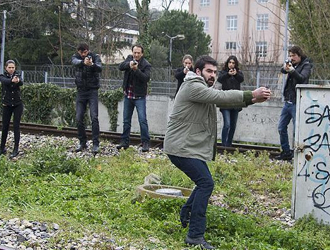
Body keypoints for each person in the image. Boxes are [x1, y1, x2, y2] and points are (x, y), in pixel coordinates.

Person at [164, 55, 271, 249]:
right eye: (209, 71)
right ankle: (195, 236)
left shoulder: (202, 88)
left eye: (214, 72)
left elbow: (221, 101)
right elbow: (220, 97)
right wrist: (251, 94)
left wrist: (253, 100)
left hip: (188, 147)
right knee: (206, 183)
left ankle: (187, 213)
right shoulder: (192, 86)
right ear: (198, 72)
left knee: (203, 182)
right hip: (180, 147)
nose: (213, 75)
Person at [275, 46, 312, 161]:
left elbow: (302, 79)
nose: (292, 58)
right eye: (290, 56)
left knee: (297, 131)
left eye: (293, 56)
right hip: (288, 101)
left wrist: (292, 70)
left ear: (299, 55)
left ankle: (298, 155)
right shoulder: (293, 64)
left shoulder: (306, 65)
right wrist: (286, 67)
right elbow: (282, 71)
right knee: (281, 127)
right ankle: (286, 152)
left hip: (297, 102)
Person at [117, 45, 152, 152]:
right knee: (126, 121)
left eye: (138, 53)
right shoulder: (129, 59)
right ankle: (124, 142)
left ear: (142, 54)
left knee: (142, 120)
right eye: (135, 52)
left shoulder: (146, 64)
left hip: (139, 96)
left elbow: (146, 78)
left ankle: (145, 143)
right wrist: (129, 65)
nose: (136, 55)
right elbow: (120, 66)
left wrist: (136, 70)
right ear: (132, 52)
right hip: (128, 95)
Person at [71, 43, 102, 154]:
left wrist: (92, 64)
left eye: (85, 52)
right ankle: (82, 142)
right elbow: (74, 62)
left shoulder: (95, 57)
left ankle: (95, 144)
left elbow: (100, 68)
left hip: (92, 91)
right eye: (81, 53)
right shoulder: (76, 57)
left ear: (88, 51)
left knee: (94, 117)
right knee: (79, 117)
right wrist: (83, 63)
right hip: (81, 91)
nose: (83, 55)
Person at [218, 55, 244, 147]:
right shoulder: (223, 72)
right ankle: (223, 144)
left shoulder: (239, 73)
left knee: (233, 125)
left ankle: (229, 144)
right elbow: (219, 79)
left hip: (236, 102)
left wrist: (235, 74)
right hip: (225, 102)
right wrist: (228, 74)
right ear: (227, 63)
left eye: (233, 63)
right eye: (230, 62)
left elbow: (241, 79)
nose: (231, 65)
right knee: (227, 124)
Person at [0, 60, 24, 158]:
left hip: (17, 104)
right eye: (9, 67)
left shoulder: (17, 75)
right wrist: (11, 80)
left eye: (13, 67)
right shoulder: (2, 76)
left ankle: (16, 149)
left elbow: (21, 82)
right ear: (6, 67)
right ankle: (2, 148)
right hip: (7, 104)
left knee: (16, 126)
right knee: (5, 126)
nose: (11, 69)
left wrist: (17, 81)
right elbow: (5, 81)